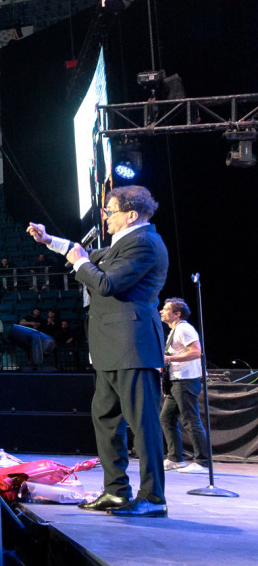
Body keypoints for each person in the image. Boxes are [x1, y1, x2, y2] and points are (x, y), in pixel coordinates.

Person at [29, 185, 169, 517]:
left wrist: (79, 261)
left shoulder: (145, 243)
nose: (105, 216)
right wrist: (50, 241)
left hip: (132, 346)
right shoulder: (125, 243)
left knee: (143, 424)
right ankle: (117, 491)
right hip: (112, 348)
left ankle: (153, 497)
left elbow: (106, 283)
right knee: (106, 418)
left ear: (131, 215)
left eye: (110, 210)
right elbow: (86, 255)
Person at [159, 297, 209, 475]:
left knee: (190, 420)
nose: (161, 311)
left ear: (177, 313)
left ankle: (203, 462)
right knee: (166, 418)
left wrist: (169, 359)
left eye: (166, 309)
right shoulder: (176, 330)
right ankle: (175, 459)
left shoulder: (184, 329)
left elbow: (196, 352)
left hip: (186, 380)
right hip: (176, 380)